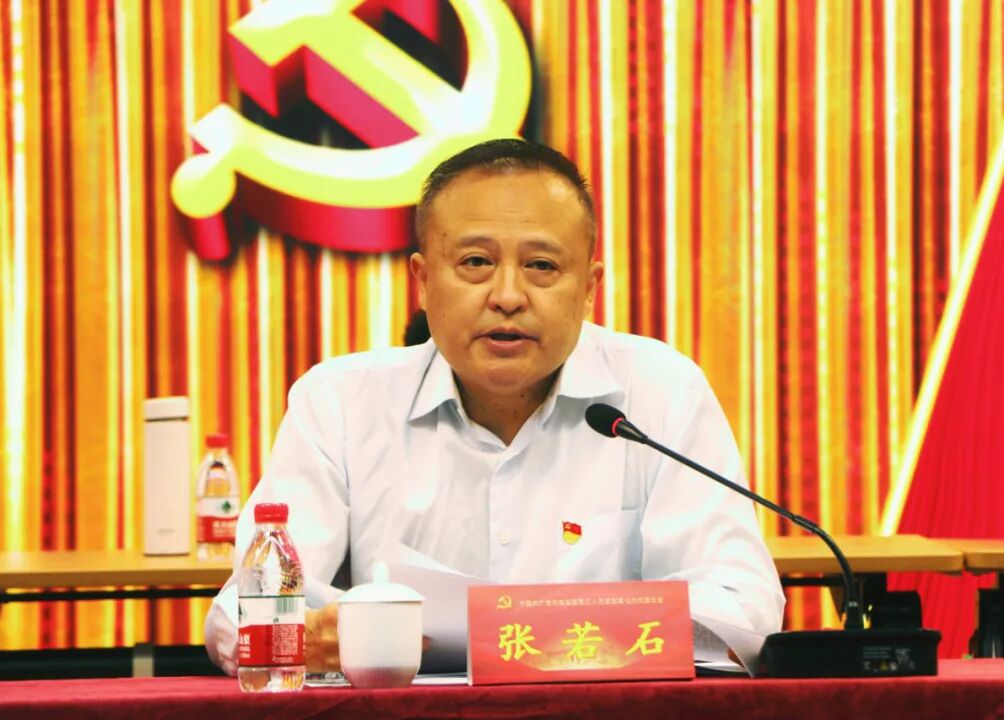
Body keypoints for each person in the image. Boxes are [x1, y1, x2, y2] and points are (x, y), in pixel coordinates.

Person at [204, 138, 784, 675]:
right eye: (476, 263)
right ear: (423, 281)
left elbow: (742, 606)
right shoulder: (340, 402)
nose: (507, 297)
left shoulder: (660, 392)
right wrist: (309, 637)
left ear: (588, 288)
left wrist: (530, 634)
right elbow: (242, 611)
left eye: (542, 266)